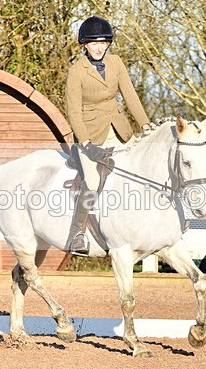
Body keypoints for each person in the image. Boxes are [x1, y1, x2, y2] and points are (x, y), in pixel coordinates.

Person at [64, 16, 152, 255]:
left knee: (144, 166)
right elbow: (74, 111)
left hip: (119, 129)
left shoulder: (116, 63)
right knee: (92, 182)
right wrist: (86, 143)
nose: (99, 47)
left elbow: (130, 96)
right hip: (90, 134)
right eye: (94, 43)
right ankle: (77, 235)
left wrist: (145, 125)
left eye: (103, 42)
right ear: (85, 45)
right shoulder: (76, 71)